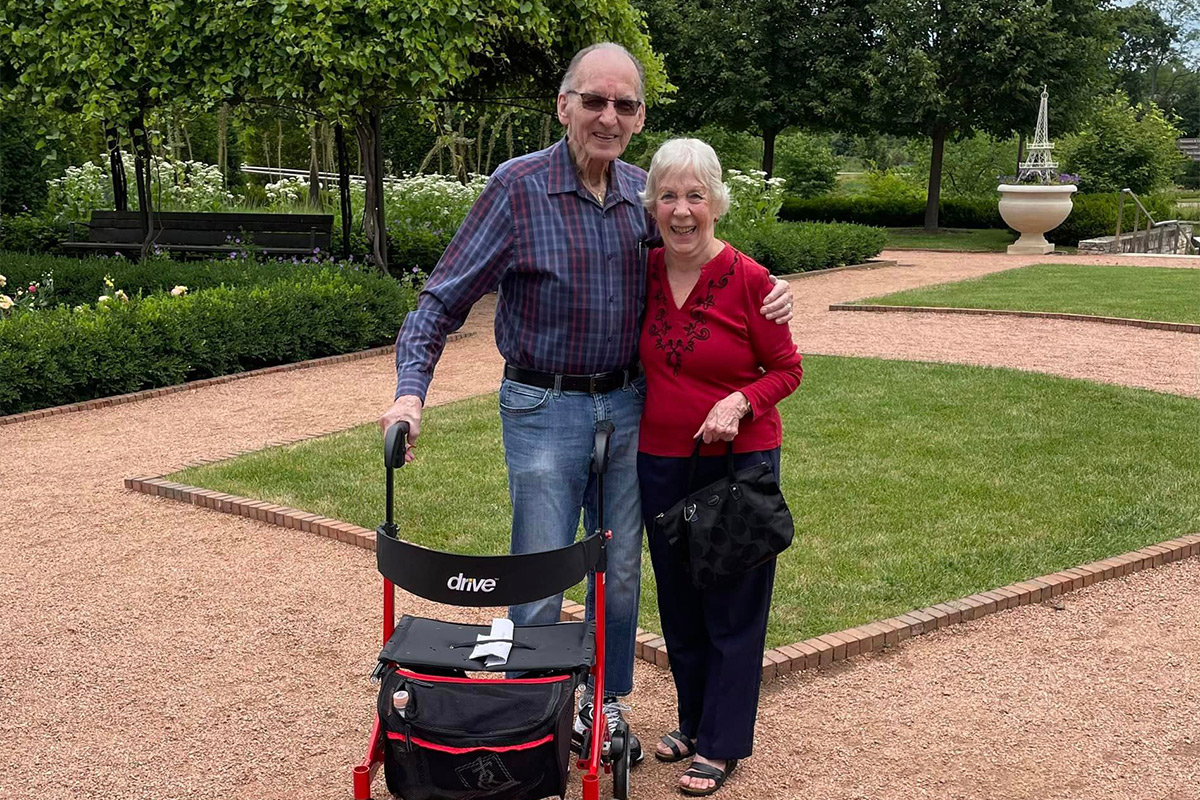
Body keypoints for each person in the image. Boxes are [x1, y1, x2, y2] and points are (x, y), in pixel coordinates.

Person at [379, 43, 795, 766]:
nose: (609, 116)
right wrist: (410, 393)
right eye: (595, 101)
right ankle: (531, 708)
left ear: (638, 118)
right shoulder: (517, 188)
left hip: (630, 406)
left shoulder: (643, 194)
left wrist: (774, 288)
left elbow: (703, 256)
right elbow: (442, 299)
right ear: (564, 105)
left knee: (619, 567)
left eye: (625, 105)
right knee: (540, 565)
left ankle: (602, 706)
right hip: (543, 406)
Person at [635, 138, 803, 796]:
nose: (681, 211)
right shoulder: (643, 271)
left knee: (733, 603)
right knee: (678, 600)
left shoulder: (751, 280)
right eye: (669, 196)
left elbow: (788, 370)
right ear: (652, 205)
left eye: (695, 196)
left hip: (738, 463)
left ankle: (723, 742)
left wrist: (740, 399)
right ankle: (692, 720)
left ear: (717, 203)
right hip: (660, 461)